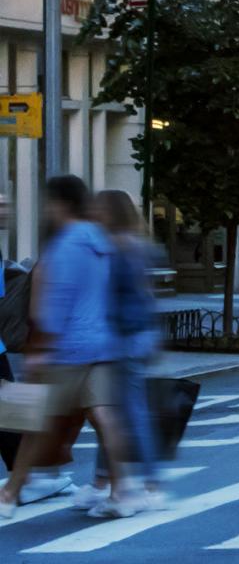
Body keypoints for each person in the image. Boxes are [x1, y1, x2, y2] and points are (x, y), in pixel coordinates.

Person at [0, 177, 143, 520]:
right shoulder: (102, 242)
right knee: (106, 419)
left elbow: (52, 305)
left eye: (50, 202)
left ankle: (9, 493)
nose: (47, 209)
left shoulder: (63, 245)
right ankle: (121, 491)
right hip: (102, 343)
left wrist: (38, 350)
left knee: (34, 423)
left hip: (65, 348)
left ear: (61, 204)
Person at [80, 191, 165, 512]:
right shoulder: (137, 245)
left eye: (99, 208)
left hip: (123, 338)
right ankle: (102, 481)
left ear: (112, 212)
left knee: (125, 414)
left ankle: (150, 485)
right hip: (135, 336)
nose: (94, 213)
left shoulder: (117, 248)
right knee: (112, 414)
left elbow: (112, 297)